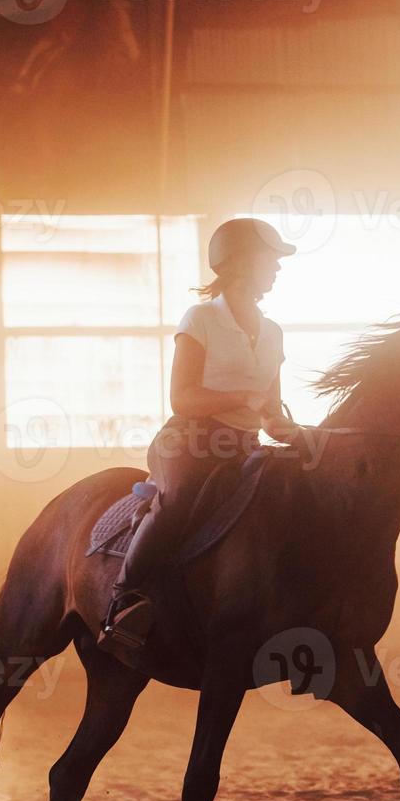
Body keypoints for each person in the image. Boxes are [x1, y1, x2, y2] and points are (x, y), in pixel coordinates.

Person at [98, 218, 303, 664]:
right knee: (178, 499)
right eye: (271, 260)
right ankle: (124, 603)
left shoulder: (274, 333)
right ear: (242, 263)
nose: (278, 269)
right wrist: (241, 397)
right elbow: (183, 397)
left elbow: (271, 412)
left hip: (244, 445)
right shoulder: (202, 319)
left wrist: (298, 433)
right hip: (190, 441)